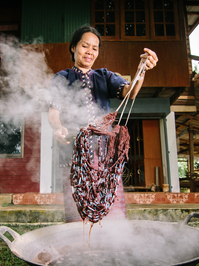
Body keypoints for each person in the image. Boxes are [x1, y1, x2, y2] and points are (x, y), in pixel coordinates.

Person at [48, 25, 158, 222]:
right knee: (78, 208)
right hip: (74, 155)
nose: (90, 52)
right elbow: (53, 112)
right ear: (73, 47)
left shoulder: (105, 76)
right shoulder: (61, 78)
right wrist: (58, 128)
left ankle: (113, 245)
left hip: (104, 154)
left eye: (95, 48)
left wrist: (141, 70)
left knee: (111, 209)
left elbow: (130, 93)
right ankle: (79, 246)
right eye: (84, 46)